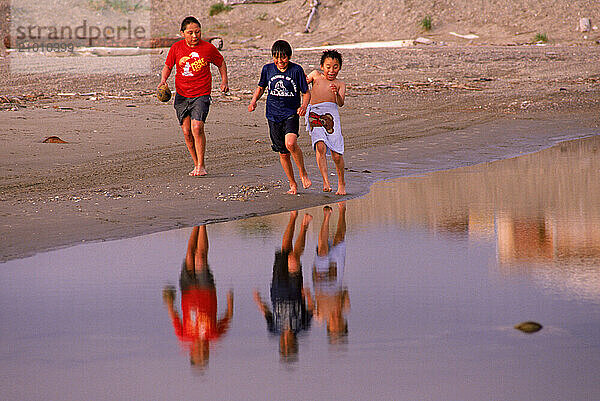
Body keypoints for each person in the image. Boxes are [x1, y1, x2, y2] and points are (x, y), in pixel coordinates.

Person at [158, 16, 229, 176]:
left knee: (197, 127)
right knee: (186, 131)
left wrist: (224, 81)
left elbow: (221, 62)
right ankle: (196, 163)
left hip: (201, 94)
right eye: (190, 32)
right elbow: (168, 66)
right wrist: (163, 81)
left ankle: (201, 165)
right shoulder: (176, 48)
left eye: (197, 32)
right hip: (182, 95)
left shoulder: (208, 48)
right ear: (182, 33)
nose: (195, 36)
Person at [162, 225, 233, 369]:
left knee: (189, 255)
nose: (201, 351)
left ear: (192, 352)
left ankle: (196, 225)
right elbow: (227, 318)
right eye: (204, 355)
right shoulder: (214, 336)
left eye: (198, 354)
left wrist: (169, 303)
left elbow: (175, 318)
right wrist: (230, 301)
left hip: (187, 292)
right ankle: (203, 224)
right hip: (207, 290)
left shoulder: (184, 337)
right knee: (200, 258)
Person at [248, 40, 312, 194]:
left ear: (289, 57)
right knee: (283, 152)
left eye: (283, 58)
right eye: (276, 57)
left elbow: (306, 92)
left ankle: (302, 173)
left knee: (290, 144)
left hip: (291, 113)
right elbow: (261, 87)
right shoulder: (267, 69)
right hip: (273, 115)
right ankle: (292, 184)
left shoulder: (296, 70)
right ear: (273, 57)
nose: (280, 61)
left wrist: (303, 106)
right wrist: (253, 101)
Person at [253, 211, 314, 362]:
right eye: (289, 344)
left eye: (284, 344)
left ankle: (293, 218)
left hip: (277, 287)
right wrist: (307, 294)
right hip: (295, 290)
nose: (286, 341)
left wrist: (259, 301)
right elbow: (311, 309)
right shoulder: (302, 327)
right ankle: (304, 227)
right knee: (293, 258)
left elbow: (267, 313)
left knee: (285, 248)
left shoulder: (274, 329)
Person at [306, 50, 347, 195]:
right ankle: (326, 181)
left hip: (331, 115)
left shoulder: (340, 84)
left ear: (340, 68)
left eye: (335, 67)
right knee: (320, 146)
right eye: (328, 66)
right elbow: (304, 82)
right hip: (314, 113)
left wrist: (336, 93)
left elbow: (341, 103)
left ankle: (341, 183)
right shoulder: (315, 75)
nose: (331, 70)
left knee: (336, 154)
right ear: (322, 66)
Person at [312, 202, 349, 344]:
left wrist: (307, 293)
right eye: (339, 327)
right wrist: (341, 304)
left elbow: (310, 301)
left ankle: (326, 217)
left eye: (334, 328)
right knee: (339, 237)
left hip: (320, 280)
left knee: (322, 251)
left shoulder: (320, 316)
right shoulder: (345, 308)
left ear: (329, 327)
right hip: (335, 275)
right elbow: (345, 290)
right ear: (344, 324)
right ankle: (342, 210)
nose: (336, 324)